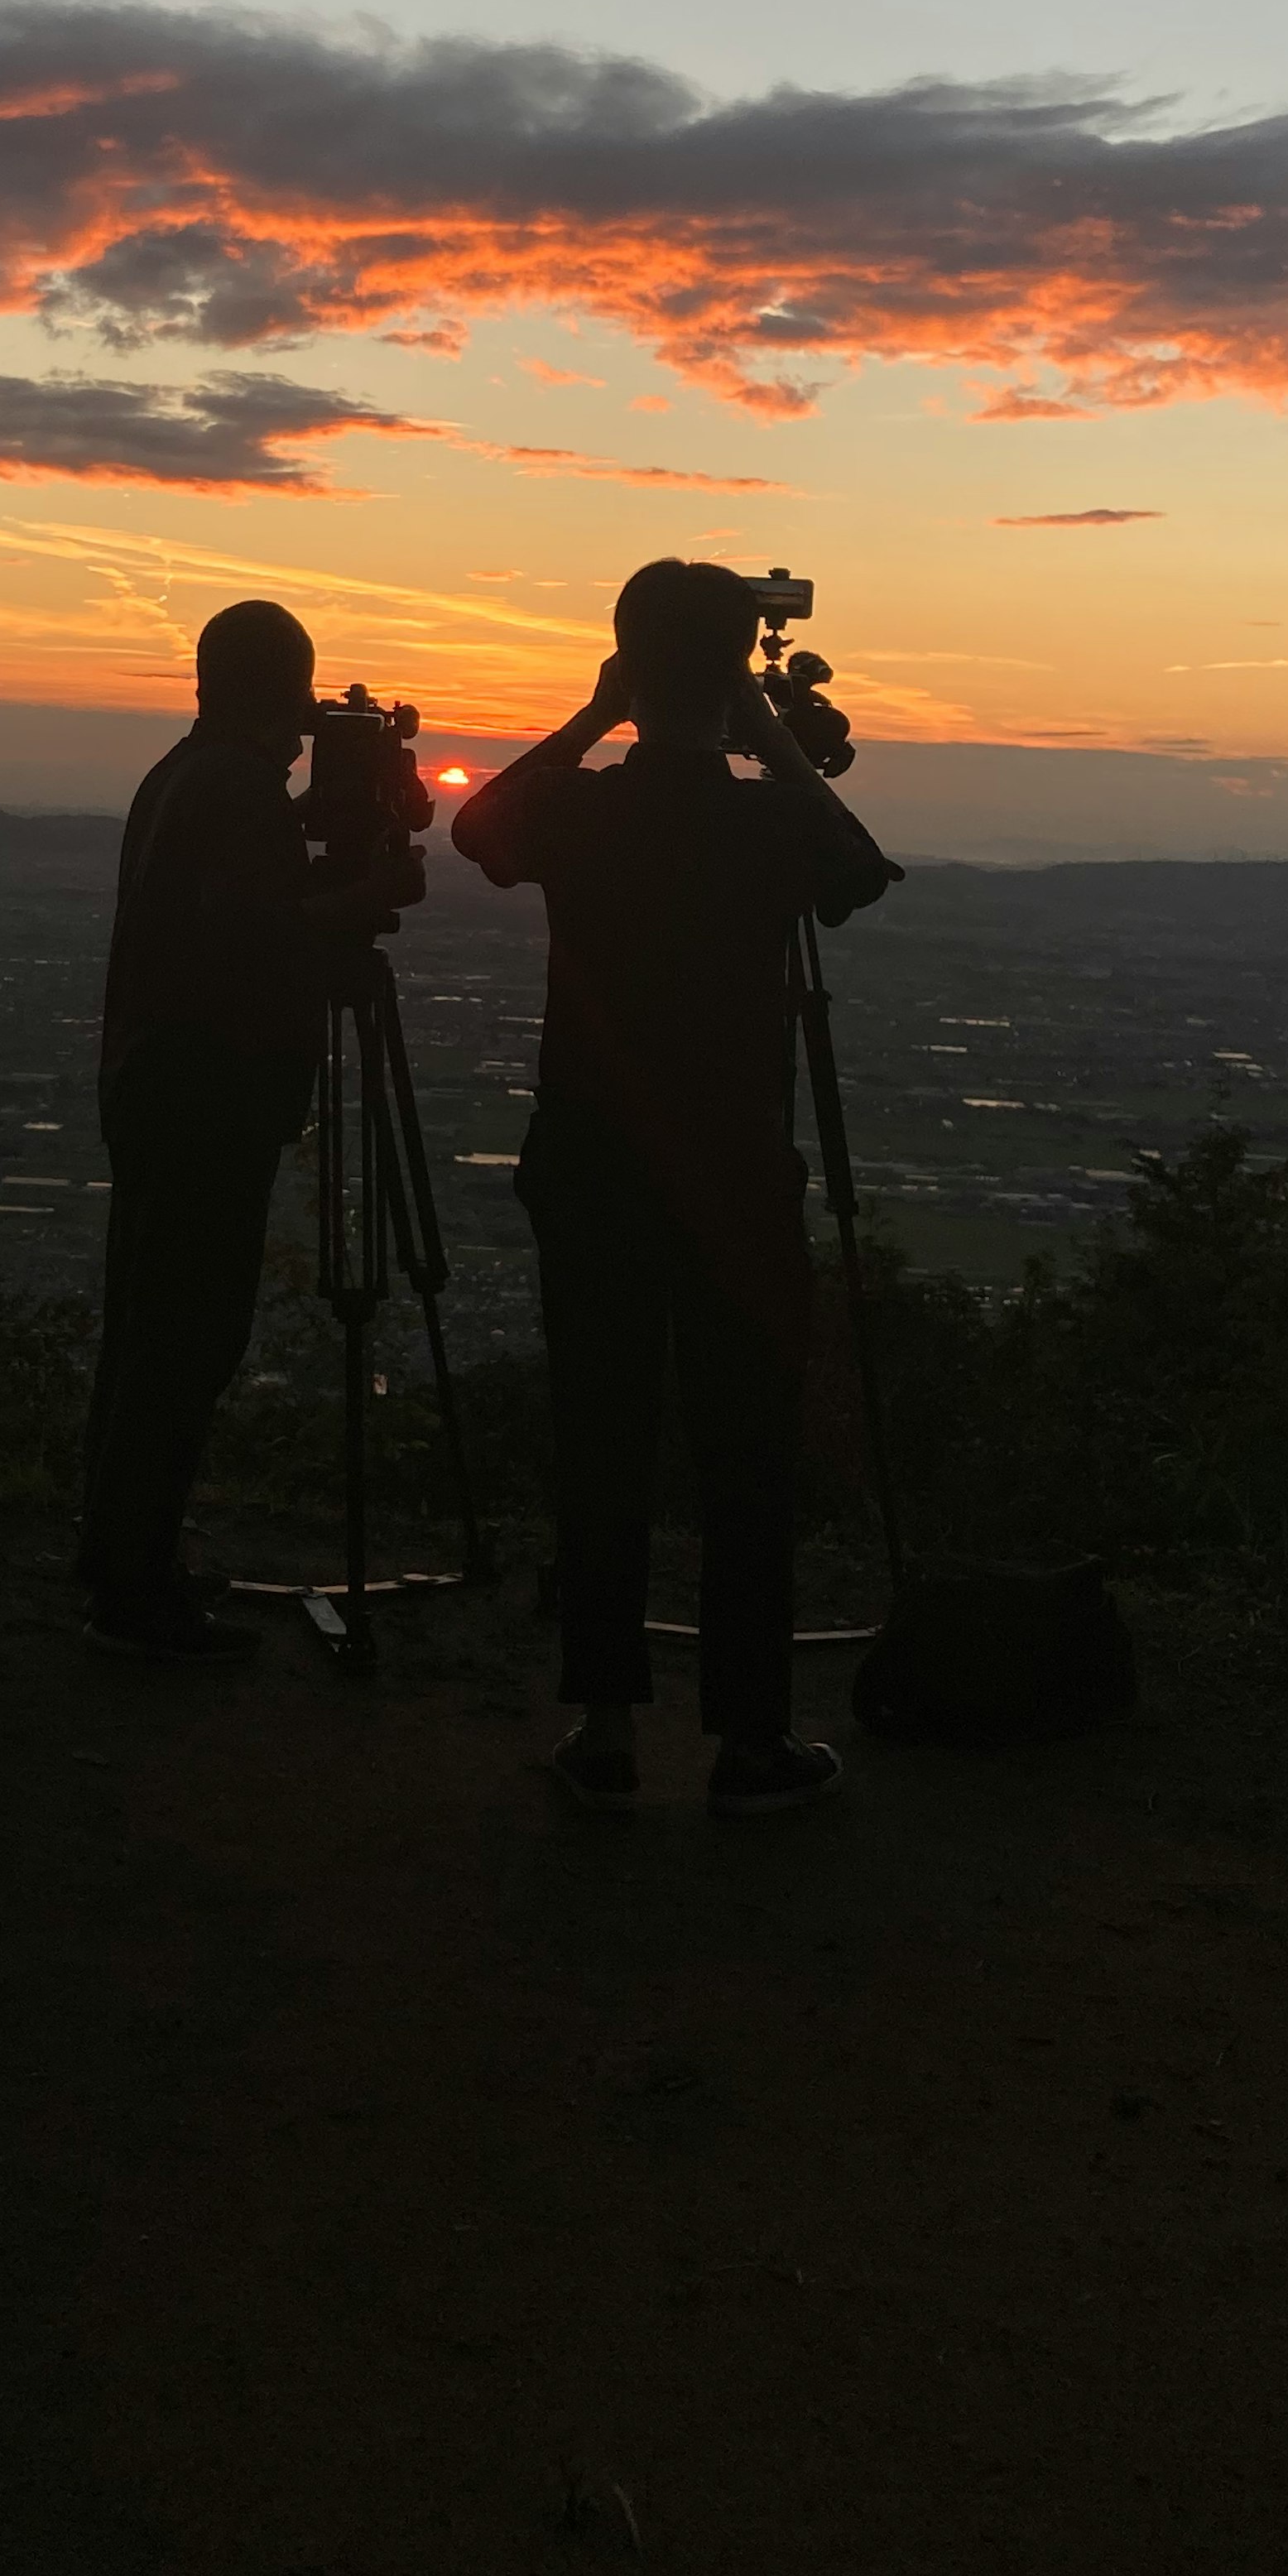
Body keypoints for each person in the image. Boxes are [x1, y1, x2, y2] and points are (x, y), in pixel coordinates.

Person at [453, 560, 891, 1819]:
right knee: (743, 1445)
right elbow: (859, 871)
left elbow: (477, 830)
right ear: (733, 671)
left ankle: (602, 1728)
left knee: (601, 1431)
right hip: (738, 1166)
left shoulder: (583, 810)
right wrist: (766, 742)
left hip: (591, 1160)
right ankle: (751, 1740)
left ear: (629, 663)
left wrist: (597, 715)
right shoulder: (770, 820)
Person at [79, 600, 421, 1658]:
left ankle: (123, 1562)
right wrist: (365, 890)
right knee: (183, 1339)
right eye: (303, 689)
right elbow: (253, 933)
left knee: (150, 1332)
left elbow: (239, 904)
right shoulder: (231, 788)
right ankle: (136, 1593)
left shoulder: (186, 775)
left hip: (162, 1089)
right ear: (273, 688)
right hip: (205, 1097)